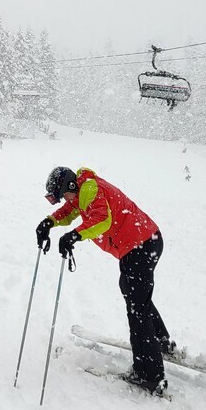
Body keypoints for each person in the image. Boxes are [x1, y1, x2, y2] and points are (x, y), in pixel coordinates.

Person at [36, 166, 173, 396]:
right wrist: (49, 222)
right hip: (143, 242)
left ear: (71, 185)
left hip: (140, 245)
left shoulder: (89, 189)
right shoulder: (82, 191)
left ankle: (150, 375)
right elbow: (70, 211)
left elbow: (103, 220)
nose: (66, 200)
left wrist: (74, 235)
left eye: (64, 194)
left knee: (137, 309)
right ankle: (161, 341)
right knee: (133, 294)